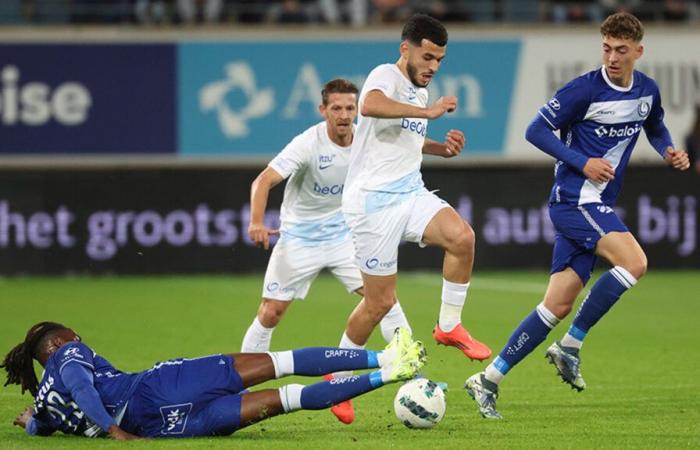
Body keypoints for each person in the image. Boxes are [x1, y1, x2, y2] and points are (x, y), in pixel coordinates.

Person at [464, 11, 690, 419]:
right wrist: (582, 162)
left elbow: (654, 125)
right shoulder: (583, 91)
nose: (612, 57)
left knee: (556, 305)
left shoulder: (647, 90)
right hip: (574, 199)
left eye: (621, 50)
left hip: (595, 201)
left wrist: (668, 149)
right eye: (606, 48)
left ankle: (488, 380)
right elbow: (534, 130)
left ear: (638, 51)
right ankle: (570, 346)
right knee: (635, 262)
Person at [241, 78, 411, 425]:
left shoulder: (366, 136)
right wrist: (256, 220)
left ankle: (391, 375)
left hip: (344, 238)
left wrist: (443, 148)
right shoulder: (308, 143)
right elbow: (263, 181)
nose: (345, 115)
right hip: (299, 239)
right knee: (271, 312)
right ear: (324, 111)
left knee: (383, 299)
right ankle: (239, 383)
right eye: (337, 108)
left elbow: (409, 148)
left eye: (351, 107)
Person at [339, 13, 492, 369]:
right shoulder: (385, 75)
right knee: (378, 304)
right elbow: (370, 106)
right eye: (428, 57)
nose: (434, 66)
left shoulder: (419, 91)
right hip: (371, 204)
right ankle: (338, 373)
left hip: (409, 193)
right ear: (405, 49)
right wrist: (429, 111)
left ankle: (449, 325)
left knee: (462, 238)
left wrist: (441, 148)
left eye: (440, 59)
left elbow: (405, 138)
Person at [2, 322, 425, 439]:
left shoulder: (44, 403)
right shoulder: (68, 354)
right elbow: (82, 386)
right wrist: (113, 430)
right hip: (160, 388)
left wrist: (31, 422)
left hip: (167, 427)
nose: (79, 341)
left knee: (287, 399)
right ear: (60, 341)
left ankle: (390, 373)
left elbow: (46, 422)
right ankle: (382, 356)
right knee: (280, 361)